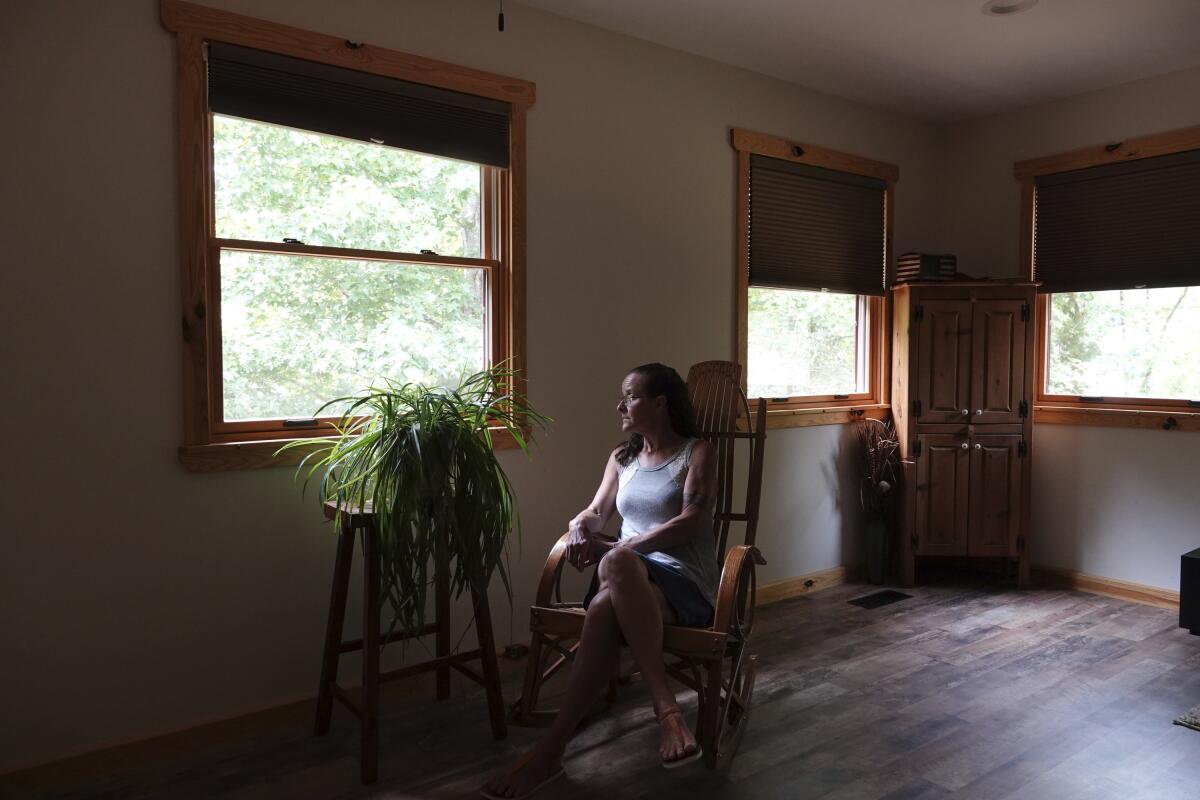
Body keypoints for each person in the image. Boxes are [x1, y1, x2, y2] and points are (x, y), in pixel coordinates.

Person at [482, 363, 719, 800]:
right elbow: (597, 511)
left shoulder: (695, 452)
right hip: (627, 576)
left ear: (660, 403)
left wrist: (623, 549)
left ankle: (548, 753)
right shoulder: (622, 457)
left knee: (615, 575)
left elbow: (692, 521)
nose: (620, 405)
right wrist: (578, 525)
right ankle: (665, 708)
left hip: (683, 583)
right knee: (614, 583)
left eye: (629, 396)